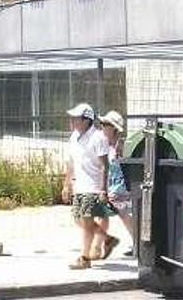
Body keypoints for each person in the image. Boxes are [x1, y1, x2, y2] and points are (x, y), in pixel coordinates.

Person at [62, 103, 120, 270]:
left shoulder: (98, 137)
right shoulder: (74, 137)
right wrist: (67, 185)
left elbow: (104, 166)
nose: (72, 121)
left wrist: (103, 189)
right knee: (77, 219)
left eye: (76, 118)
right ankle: (107, 239)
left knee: (87, 223)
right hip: (79, 186)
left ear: (87, 120)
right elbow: (71, 163)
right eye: (71, 118)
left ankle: (84, 258)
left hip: (92, 187)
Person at [90, 110, 136, 259]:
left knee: (125, 217)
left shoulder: (120, 145)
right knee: (105, 216)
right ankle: (99, 246)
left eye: (106, 124)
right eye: (102, 124)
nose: (102, 127)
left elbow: (126, 167)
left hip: (120, 188)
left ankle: (138, 245)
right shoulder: (105, 145)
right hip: (110, 188)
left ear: (114, 128)